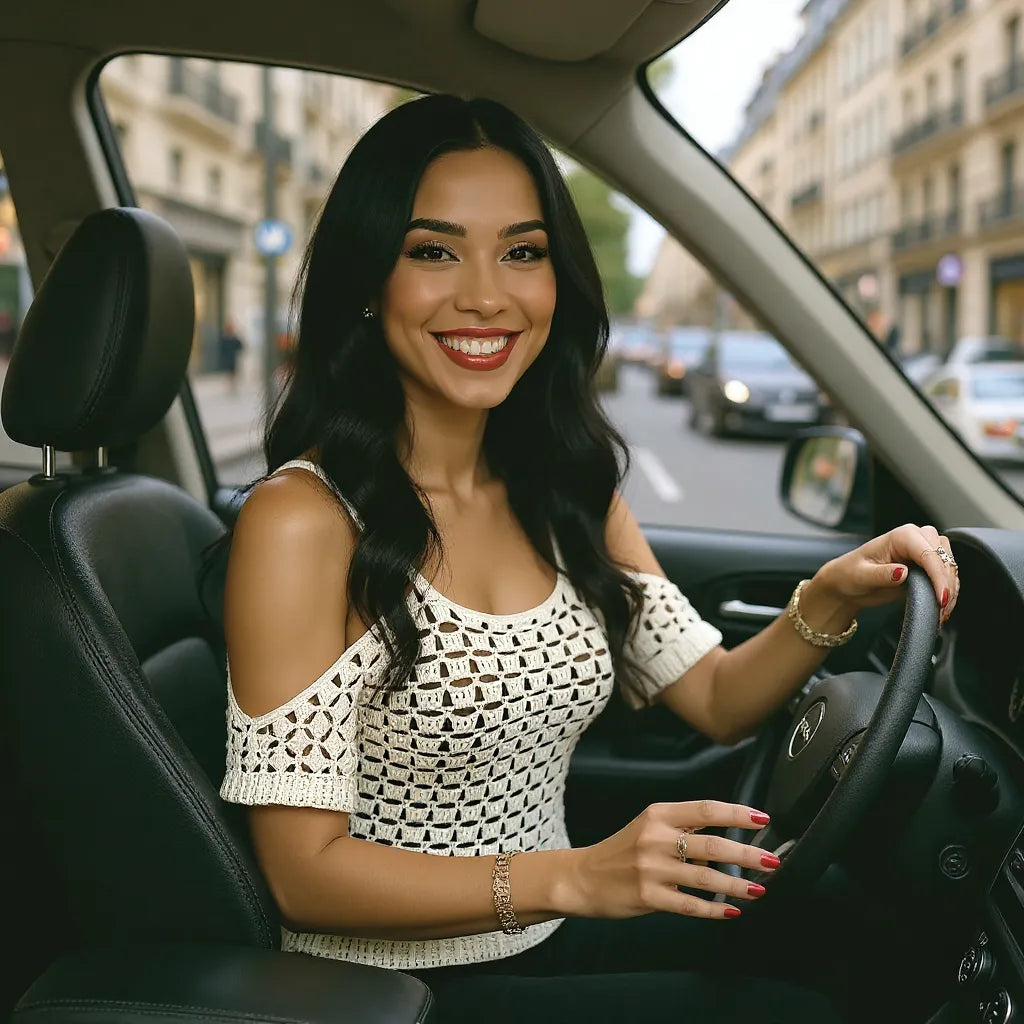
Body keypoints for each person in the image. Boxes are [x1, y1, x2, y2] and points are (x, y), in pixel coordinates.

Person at [215, 94, 960, 1023]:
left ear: (558, 278)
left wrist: (833, 599)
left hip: (541, 927)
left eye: (522, 252)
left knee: (862, 937)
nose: (487, 294)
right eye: (434, 250)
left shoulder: (565, 492)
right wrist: (576, 876)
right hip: (388, 987)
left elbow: (717, 698)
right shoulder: (302, 520)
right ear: (371, 279)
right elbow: (303, 877)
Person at [218, 319, 245, 392]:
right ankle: (230, 387)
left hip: (233, 358)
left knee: (233, 373)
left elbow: (240, 346)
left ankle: (233, 387)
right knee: (229, 373)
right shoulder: (225, 338)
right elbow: (222, 348)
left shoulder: (234, 338)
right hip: (228, 358)